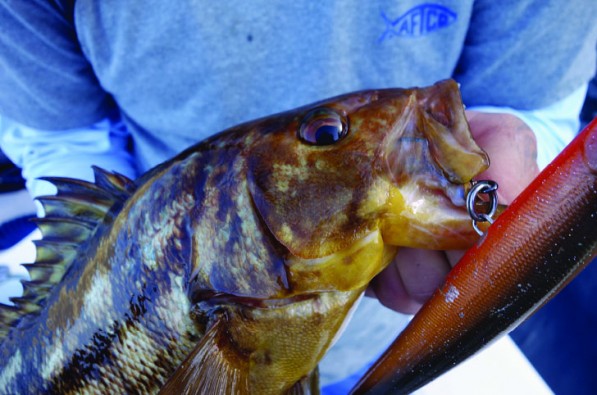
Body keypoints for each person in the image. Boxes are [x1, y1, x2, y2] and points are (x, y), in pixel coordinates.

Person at [0, 1, 595, 392]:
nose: (411, 108)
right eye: (328, 135)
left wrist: (515, 164)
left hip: (394, 354)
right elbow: (64, 136)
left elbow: (535, 106)